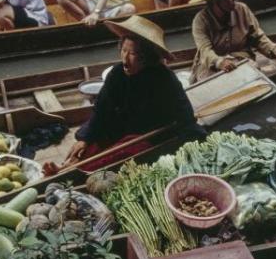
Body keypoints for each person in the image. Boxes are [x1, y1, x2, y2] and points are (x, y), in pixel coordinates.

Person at [49, 15, 205, 172]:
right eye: (124, 50)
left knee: (122, 151)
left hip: (147, 136)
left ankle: (74, 170)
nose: (125, 58)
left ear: (146, 58)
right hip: (121, 128)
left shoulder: (166, 80)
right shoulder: (117, 74)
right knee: (90, 143)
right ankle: (68, 165)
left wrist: (192, 140)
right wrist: (85, 138)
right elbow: (101, 110)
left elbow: (186, 117)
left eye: (133, 54)